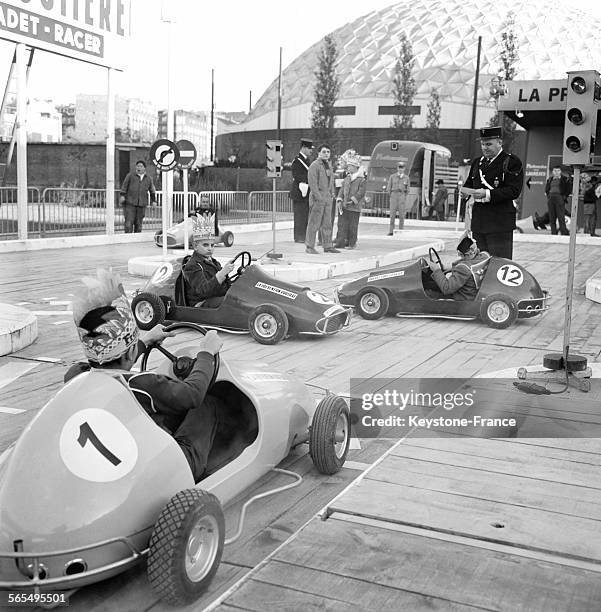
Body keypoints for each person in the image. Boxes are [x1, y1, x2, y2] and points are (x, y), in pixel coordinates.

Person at [65, 269, 222, 483]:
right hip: (161, 468)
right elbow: (192, 394)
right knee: (207, 403)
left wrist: (145, 341)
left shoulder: (75, 376)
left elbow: (113, 359)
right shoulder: (141, 385)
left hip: (114, 453)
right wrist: (206, 353)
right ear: (130, 352)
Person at [460, 126, 524, 259]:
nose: (485, 148)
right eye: (482, 144)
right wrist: (465, 193)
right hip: (479, 222)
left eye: (489, 144)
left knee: (499, 264)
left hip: (500, 223)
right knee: (480, 264)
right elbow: (469, 184)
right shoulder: (477, 163)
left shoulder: (511, 162)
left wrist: (487, 194)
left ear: (500, 143)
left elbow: (514, 190)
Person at [183, 213, 235, 307]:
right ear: (195, 246)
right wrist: (222, 273)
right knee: (232, 303)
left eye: (212, 245)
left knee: (239, 298)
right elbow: (203, 291)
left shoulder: (215, 262)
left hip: (216, 298)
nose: (210, 248)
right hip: (201, 303)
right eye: (205, 245)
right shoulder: (192, 266)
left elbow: (226, 286)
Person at [423, 234, 491, 300]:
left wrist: (436, 270)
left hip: (464, 298)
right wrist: (449, 269)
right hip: (473, 292)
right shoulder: (484, 256)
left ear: (466, 254)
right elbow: (468, 265)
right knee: (431, 284)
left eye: (461, 255)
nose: (461, 257)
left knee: (428, 292)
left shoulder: (464, 268)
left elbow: (447, 288)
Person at [305, 143, 339, 254]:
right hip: (318, 198)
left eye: (328, 152)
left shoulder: (328, 165)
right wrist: (318, 197)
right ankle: (309, 246)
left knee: (327, 223)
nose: (326, 154)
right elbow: (312, 183)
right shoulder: (314, 165)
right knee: (314, 223)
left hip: (327, 198)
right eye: (324, 152)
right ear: (318, 153)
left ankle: (328, 246)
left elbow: (331, 181)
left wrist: (332, 193)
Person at [334, 150, 365, 249]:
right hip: (344, 206)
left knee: (353, 226)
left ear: (356, 167)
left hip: (354, 208)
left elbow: (361, 193)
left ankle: (352, 243)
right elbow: (342, 190)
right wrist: (339, 199)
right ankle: (340, 242)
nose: (348, 168)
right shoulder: (347, 178)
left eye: (350, 166)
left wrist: (353, 200)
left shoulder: (362, 180)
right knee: (342, 225)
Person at [119, 160, 156, 233]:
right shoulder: (130, 176)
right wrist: (122, 195)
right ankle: (128, 239)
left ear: (144, 168)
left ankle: (136, 239)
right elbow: (124, 186)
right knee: (128, 223)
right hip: (130, 203)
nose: (139, 168)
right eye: (138, 166)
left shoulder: (148, 178)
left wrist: (153, 201)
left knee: (139, 224)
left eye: (141, 166)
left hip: (141, 204)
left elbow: (152, 190)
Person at [289, 138, 313, 243]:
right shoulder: (297, 161)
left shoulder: (307, 160)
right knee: (299, 217)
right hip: (299, 193)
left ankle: (304, 236)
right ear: (303, 148)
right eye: (309, 148)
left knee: (305, 216)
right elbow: (298, 176)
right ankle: (299, 237)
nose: (311, 151)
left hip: (306, 193)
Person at [544, 165, 570, 235]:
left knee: (561, 217)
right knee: (552, 217)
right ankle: (553, 233)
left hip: (559, 198)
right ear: (552, 172)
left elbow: (568, 189)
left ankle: (564, 233)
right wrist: (549, 196)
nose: (556, 172)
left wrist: (564, 197)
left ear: (560, 172)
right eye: (555, 171)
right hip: (551, 198)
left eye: (558, 171)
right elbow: (546, 189)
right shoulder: (550, 179)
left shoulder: (565, 179)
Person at [386, 160, 410, 234]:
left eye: (402, 168)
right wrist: (392, 195)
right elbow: (388, 188)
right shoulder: (392, 177)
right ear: (397, 168)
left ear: (404, 169)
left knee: (401, 215)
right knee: (392, 215)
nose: (400, 169)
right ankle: (391, 231)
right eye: (399, 167)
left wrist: (403, 196)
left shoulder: (406, 178)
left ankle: (400, 231)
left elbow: (408, 190)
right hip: (394, 195)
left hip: (402, 196)